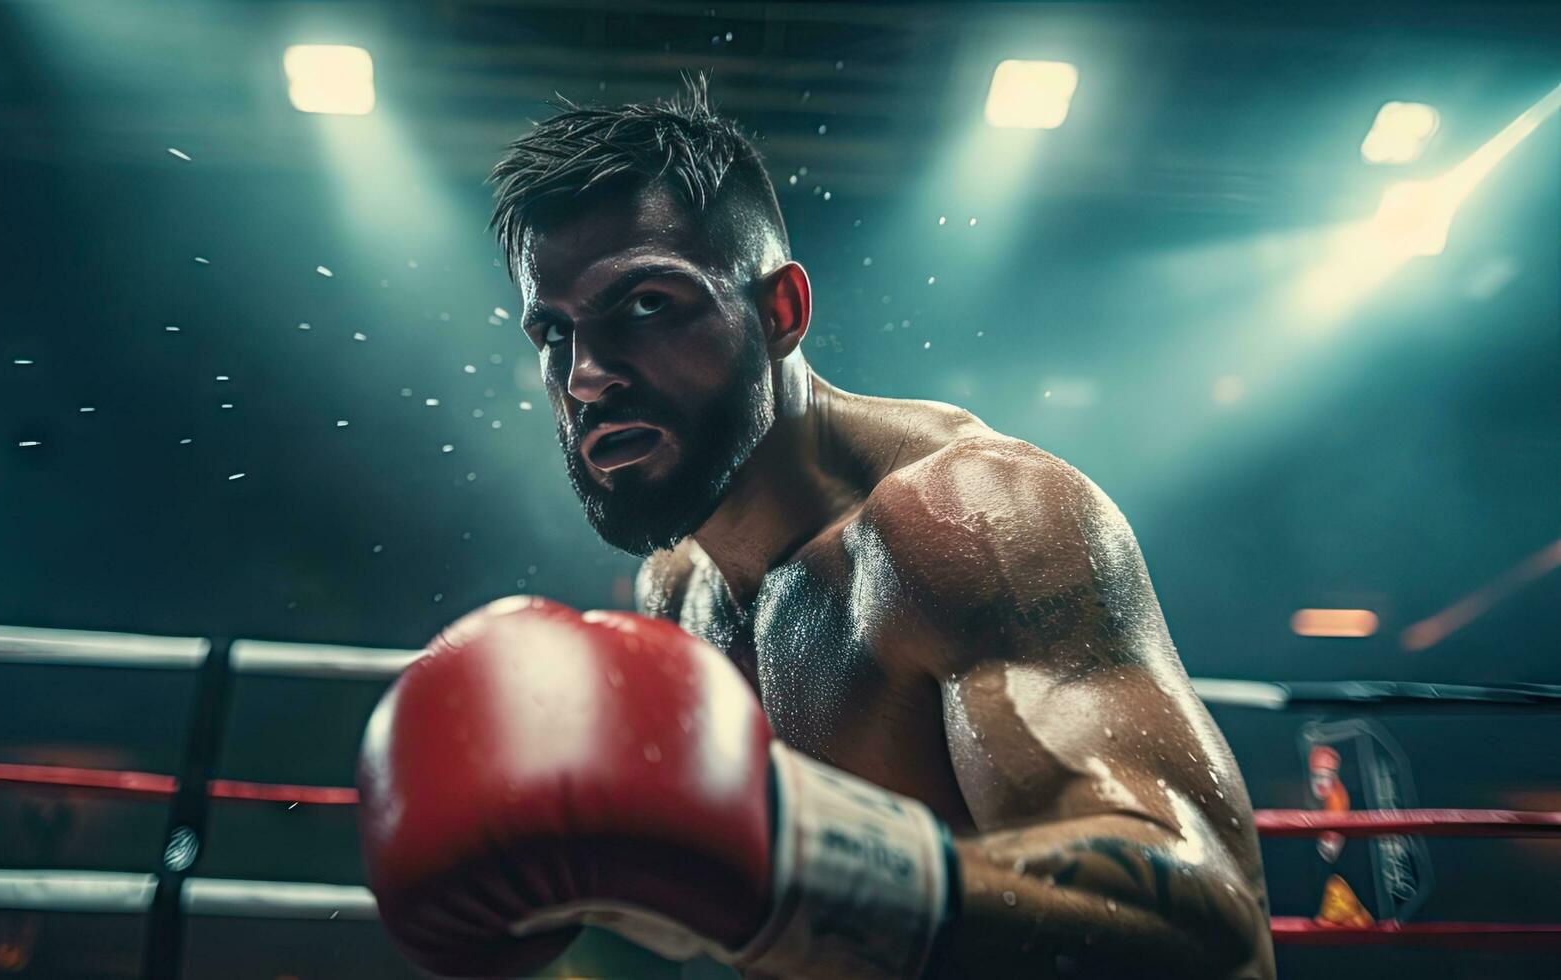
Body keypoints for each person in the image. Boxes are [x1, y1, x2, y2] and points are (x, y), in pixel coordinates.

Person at [357, 74, 1274, 979]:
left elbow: (1199, 914)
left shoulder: (968, 523)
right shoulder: (677, 585)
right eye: (553, 335)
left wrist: (797, 859)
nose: (586, 374)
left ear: (780, 311)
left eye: (645, 306)